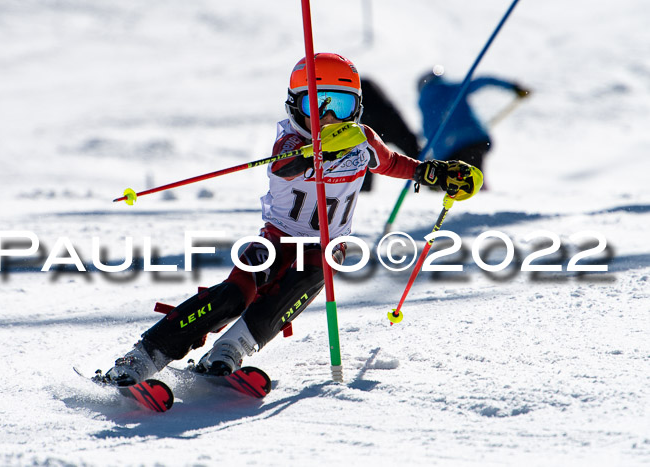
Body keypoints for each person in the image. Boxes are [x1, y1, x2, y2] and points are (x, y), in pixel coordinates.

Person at [95, 53, 478, 387]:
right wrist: (321, 153)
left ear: (357, 108)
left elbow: (391, 162)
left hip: (328, 246)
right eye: (316, 105)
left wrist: (431, 173)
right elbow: (286, 165)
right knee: (233, 296)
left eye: (340, 107)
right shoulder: (292, 141)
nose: (327, 118)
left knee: (308, 279)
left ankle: (228, 352)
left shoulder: (362, 138)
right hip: (277, 238)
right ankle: (144, 357)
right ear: (295, 106)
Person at [417, 67, 531, 173]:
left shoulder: (424, 104)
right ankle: (483, 193)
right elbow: (485, 80)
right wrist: (513, 87)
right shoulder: (453, 88)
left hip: (447, 151)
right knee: (474, 178)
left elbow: (427, 132)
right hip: (472, 139)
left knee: (460, 182)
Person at [358, 77, 421, 191]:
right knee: (413, 150)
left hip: (376, 123)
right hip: (390, 120)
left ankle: (364, 190)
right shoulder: (366, 83)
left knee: (367, 155)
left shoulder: (360, 85)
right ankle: (432, 177)